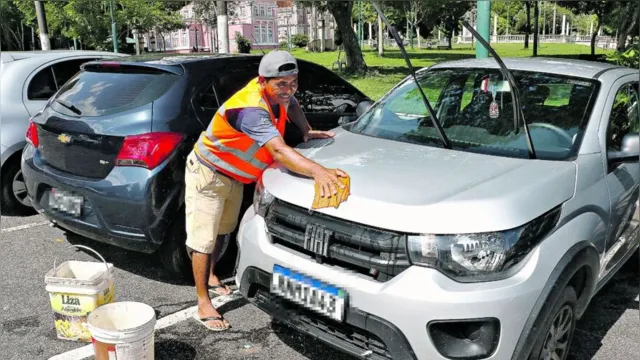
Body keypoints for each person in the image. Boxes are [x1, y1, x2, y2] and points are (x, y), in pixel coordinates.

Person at [185, 50, 348, 331]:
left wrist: (307, 130)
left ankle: (211, 275)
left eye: (293, 82)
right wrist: (318, 171)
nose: (288, 90)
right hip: (208, 174)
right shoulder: (250, 109)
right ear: (263, 81)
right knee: (204, 239)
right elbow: (278, 150)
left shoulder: (281, 96)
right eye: (281, 84)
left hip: (234, 177)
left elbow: (292, 104)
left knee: (224, 230)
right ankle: (202, 302)